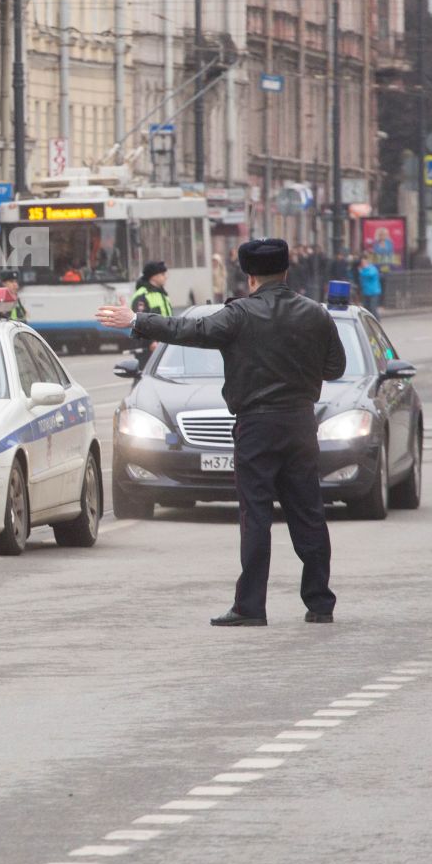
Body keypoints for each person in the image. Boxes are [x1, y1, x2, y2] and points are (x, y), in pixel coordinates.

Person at [94, 238, 345, 627]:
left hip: (256, 425)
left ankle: (250, 607)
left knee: (256, 515)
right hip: (300, 422)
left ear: (249, 276)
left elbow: (189, 330)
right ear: (286, 271)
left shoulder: (239, 315)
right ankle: (320, 602)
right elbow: (334, 368)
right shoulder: (315, 314)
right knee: (309, 513)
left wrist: (136, 321)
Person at [129, 260, 173, 365]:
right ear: (154, 276)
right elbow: (140, 322)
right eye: (162, 274)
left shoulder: (162, 294)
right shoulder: (142, 295)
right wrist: (150, 342)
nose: (165, 277)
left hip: (162, 345)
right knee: (145, 378)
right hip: (150, 348)